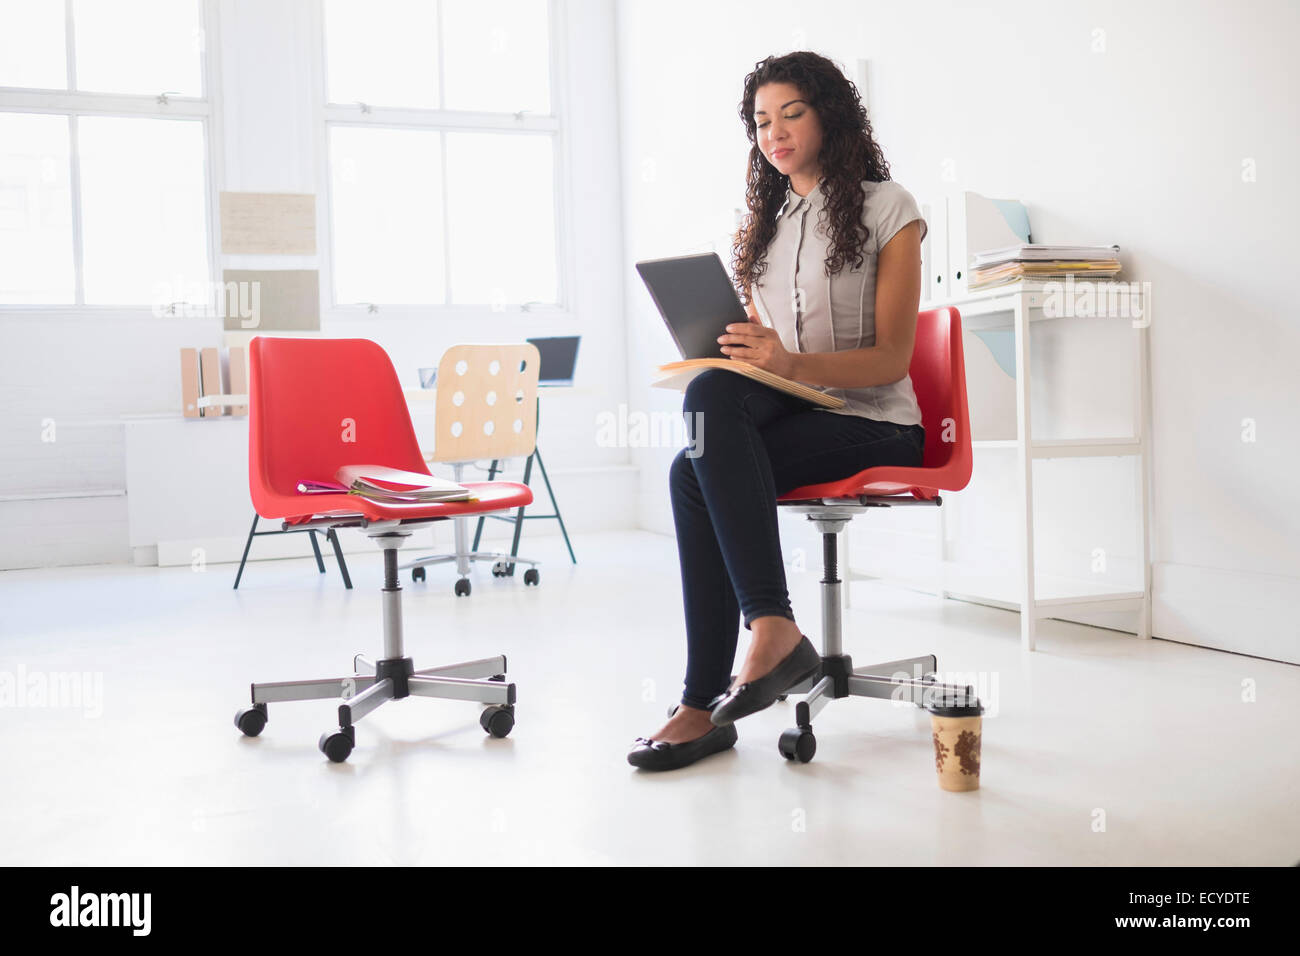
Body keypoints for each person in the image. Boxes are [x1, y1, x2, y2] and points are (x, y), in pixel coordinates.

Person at [628, 51, 929, 771]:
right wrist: (739, 354)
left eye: (792, 112)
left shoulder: (890, 208)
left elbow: (890, 360)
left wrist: (786, 365)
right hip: (802, 410)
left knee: (693, 470)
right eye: (762, 121)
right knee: (702, 418)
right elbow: (771, 358)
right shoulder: (761, 226)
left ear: (830, 113)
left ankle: (740, 663)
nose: (775, 131)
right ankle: (736, 667)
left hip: (879, 419)